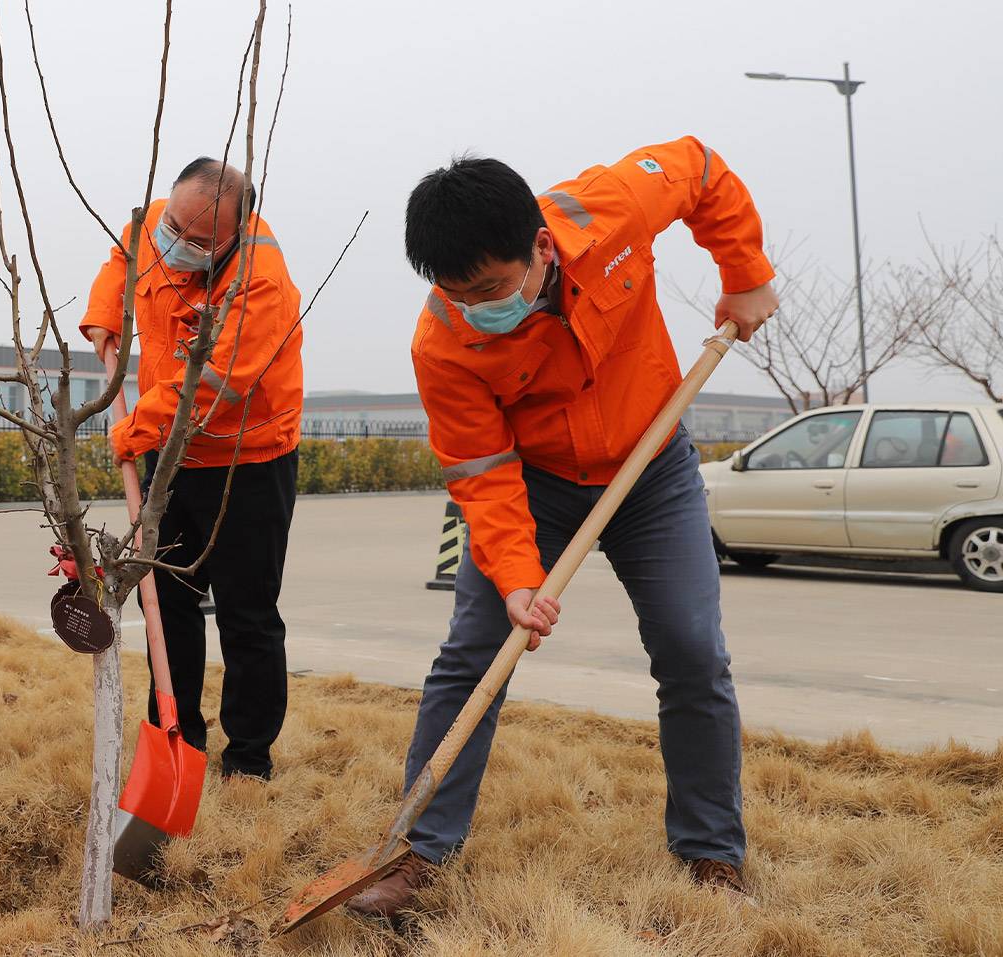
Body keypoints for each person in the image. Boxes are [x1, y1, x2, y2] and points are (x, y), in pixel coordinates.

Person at [345, 138, 778, 919]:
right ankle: (418, 852)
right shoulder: (444, 340)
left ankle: (712, 851)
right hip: (535, 487)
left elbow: (701, 170)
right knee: (474, 655)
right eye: (456, 292)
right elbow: (480, 470)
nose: (478, 308)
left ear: (541, 245)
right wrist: (515, 576)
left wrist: (744, 277)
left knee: (690, 646)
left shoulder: (608, 211)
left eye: (491, 287)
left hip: (652, 466)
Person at [79, 158, 304, 780]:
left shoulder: (261, 282)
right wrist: (104, 320)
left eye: (203, 240)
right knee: (166, 602)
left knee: (246, 611)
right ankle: (176, 737)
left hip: (246, 459)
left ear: (238, 228)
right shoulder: (159, 221)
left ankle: (248, 756)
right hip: (169, 461)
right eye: (176, 224)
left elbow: (214, 381)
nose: (179, 241)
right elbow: (123, 259)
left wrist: (134, 429)